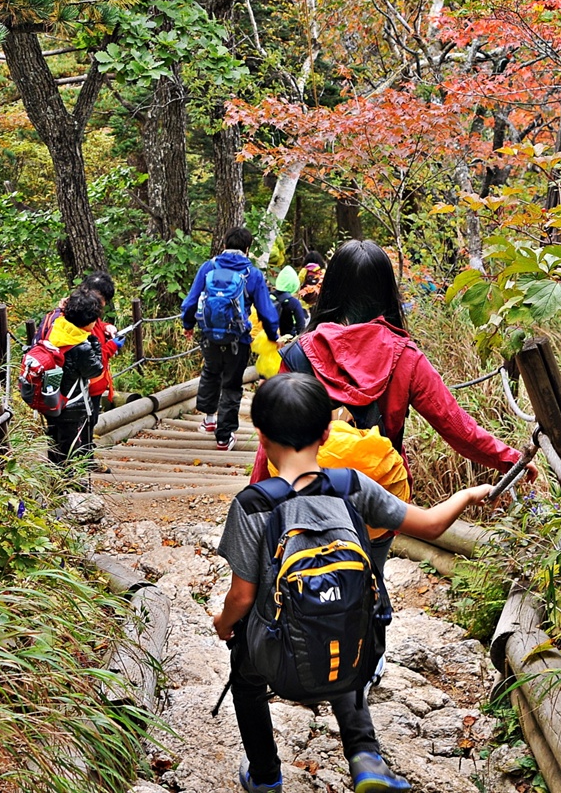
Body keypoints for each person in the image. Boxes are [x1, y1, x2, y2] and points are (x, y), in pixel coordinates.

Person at [214, 374, 492, 793]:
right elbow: (432, 524)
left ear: (260, 434)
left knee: (244, 674)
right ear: (327, 432)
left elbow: (243, 595)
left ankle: (266, 774)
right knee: (343, 631)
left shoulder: (253, 504)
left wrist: (223, 623)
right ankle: (365, 759)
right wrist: (468, 495)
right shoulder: (352, 486)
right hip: (347, 651)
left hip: (277, 660)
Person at [250, 239, 538, 490]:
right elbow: (455, 425)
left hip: (306, 493)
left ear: (332, 288)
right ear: (387, 291)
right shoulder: (405, 357)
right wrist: (510, 459)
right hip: (378, 493)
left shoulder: (300, 352)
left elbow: (272, 436)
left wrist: (257, 500)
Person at [181, 227, 280, 451]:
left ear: (224, 244)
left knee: (211, 370)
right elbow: (266, 310)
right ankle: (224, 437)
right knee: (232, 384)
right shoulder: (252, 274)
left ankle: (208, 418)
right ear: (247, 248)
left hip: (209, 335)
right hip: (239, 338)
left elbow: (190, 302)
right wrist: (273, 335)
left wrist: (188, 325)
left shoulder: (209, 267)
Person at [36, 273, 123, 427]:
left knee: (79, 427)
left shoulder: (79, 310)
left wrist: (105, 327)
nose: (102, 304)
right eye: (102, 299)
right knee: (81, 427)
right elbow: (87, 359)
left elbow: (94, 329)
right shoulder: (75, 317)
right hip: (79, 389)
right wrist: (112, 346)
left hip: (80, 388)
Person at [42, 288, 105, 470]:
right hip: (72, 404)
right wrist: (95, 344)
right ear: (88, 322)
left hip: (52, 398)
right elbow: (96, 371)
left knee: (55, 441)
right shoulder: (81, 346)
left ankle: (55, 482)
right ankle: (71, 486)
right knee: (71, 448)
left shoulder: (57, 328)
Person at [272, 265, 307, 337]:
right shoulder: (294, 303)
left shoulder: (268, 297)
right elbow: (301, 328)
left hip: (266, 340)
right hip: (286, 343)